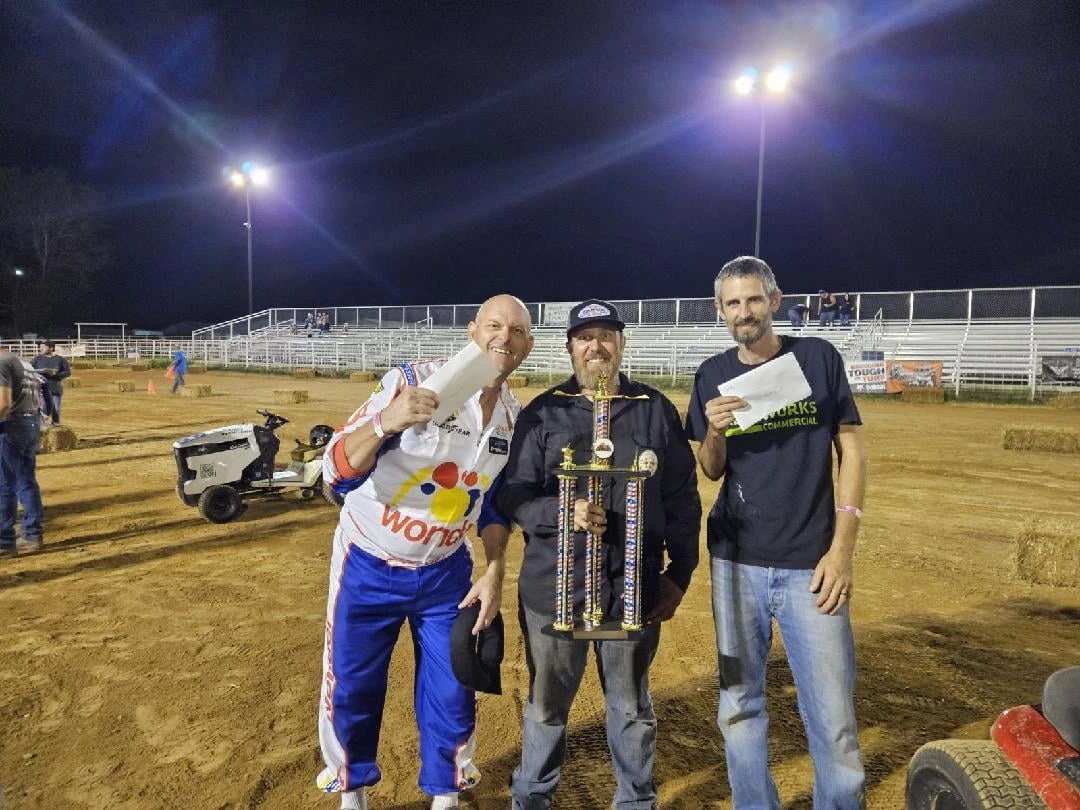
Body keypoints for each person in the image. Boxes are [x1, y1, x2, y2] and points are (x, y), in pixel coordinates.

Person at [316, 294, 535, 810]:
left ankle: (446, 795)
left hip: (445, 571)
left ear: (528, 346)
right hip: (367, 560)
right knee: (351, 682)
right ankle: (352, 792)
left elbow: (497, 505)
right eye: (495, 326)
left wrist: (495, 569)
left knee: (455, 683)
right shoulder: (411, 381)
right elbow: (335, 470)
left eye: (518, 331)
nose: (505, 338)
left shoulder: (512, 417)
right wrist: (385, 423)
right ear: (471, 331)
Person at [496, 299, 702, 810]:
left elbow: (682, 499)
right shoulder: (542, 412)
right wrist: (562, 512)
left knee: (631, 707)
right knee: (546, 706)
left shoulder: (654, 409)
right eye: (585, 337)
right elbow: (513, 493)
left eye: (606, 335)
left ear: (621, 344)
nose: (596, 345)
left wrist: (680, 574)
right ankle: (532, 799)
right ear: (570, 348)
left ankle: (635, 802)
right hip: (555, 590)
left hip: (633, 589)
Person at [686, 256, 868, 809]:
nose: (745, 312)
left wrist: (842, 550)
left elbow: (852, 451)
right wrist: (714, 431)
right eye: (733, 304)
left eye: (754, 300)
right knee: (739, 706)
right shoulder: (711, 374)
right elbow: (711, 469)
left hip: (812, 565)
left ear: (775, 300)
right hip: (736, 563)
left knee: (833, 716)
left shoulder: (817, 357)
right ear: (721, 312)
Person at [0, 349, 46, 556]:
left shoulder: (2, 363)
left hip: (10, 425)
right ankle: (32, 534)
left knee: (5, 484)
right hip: (31, 423)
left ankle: (4, 541)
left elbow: (4, 403)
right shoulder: (24, 362)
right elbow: (37, 400)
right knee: (26, 481)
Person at [32, 339, 71, 424]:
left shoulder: (61, 360)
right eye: (40, 347)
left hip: (55, 387)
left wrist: (56, 374)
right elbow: (30, 371)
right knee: (43, 410)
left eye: (43, 347)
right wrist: (40, 372)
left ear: (51, 348)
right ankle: (42, 428)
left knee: (56, 410)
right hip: (41, 389)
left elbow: (67, 372)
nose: (40, 349)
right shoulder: (36, 359)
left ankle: (56, 424)